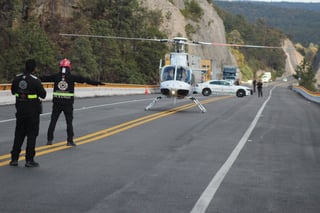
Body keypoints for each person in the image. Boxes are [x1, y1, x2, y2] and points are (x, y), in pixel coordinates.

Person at [40, 58, 104, 146]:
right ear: (69, 67)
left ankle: (49, 140)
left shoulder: (56, 76)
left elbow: (43, 78)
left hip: (57, 103)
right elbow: (85, 80)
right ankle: (70, 141)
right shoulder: (72, 77)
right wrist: (97, 83)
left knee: (53, 121)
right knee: (69, 122)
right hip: (68, 104)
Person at [10, 59, 47, 167]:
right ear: (34, 69)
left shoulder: (17, 78)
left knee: (19, 135)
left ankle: (14, 159)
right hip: (32, 112)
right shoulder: (35, 80)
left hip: (20, 111)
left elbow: (13, 92)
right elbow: (43, 95)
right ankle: (29, 160)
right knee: (31, 135)